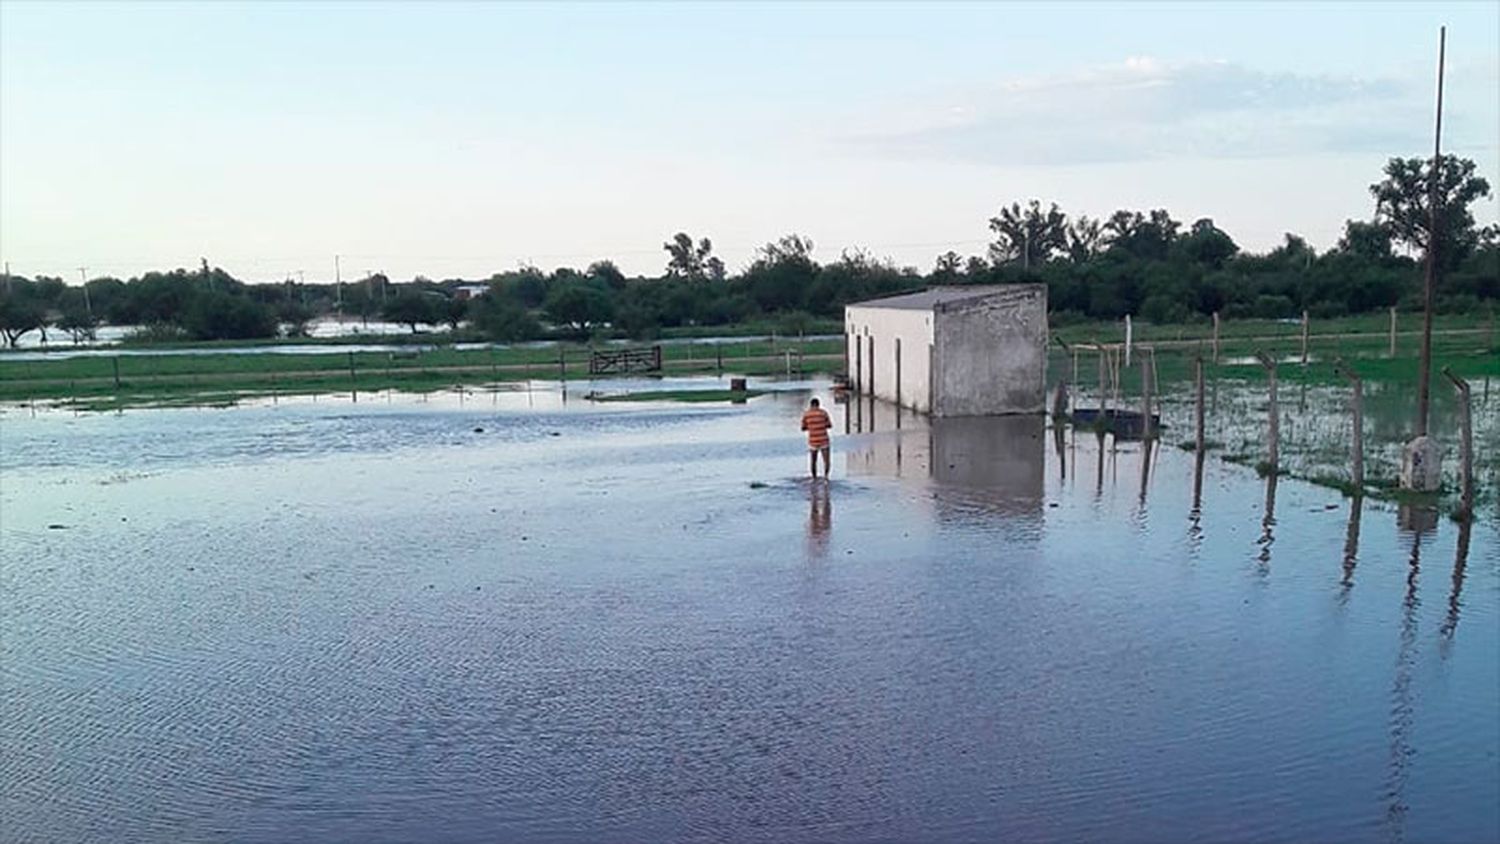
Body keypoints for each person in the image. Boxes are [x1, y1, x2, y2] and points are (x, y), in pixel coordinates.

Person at [800, 397, 832, 479]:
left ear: (811, 405)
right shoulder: (824, 413)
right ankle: (826, 477)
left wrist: (811, 426)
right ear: (818, 404)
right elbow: (829, 425)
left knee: (813, 461)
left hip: (813, 441)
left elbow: (803, 428)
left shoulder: (806, 414)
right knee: (826, 461)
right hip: (824, 440)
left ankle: (814, 477)